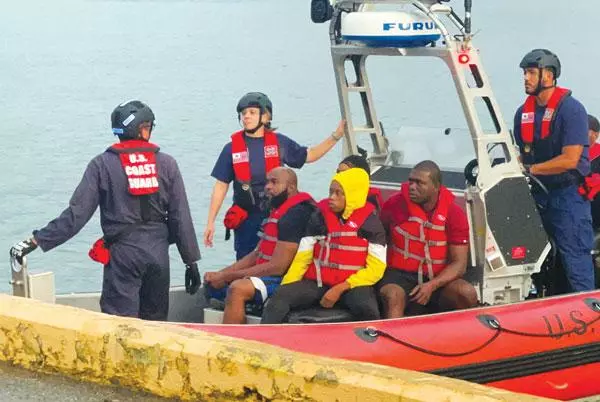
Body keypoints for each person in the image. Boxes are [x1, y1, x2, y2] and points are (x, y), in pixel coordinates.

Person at [9, 100, 201, 320]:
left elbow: (76, 215)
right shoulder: (167, 164)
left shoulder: (102, 165)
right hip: (158, 254)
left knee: (118, 325)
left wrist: (37, 240)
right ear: (139, 129)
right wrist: (190, 261)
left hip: (124, 256)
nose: (150, 132)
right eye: (148, 126)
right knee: (156, 326)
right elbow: (180, 217)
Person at [205, 92, 345, 260]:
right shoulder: (231, 148)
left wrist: (335, 137)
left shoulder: (279, 143)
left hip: (277, 215)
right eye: (243, 114)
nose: (246, 117)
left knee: (276, 259)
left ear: (265, 116)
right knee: (245, 261)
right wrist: (210, 222)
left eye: (252, 112)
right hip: (246, 220)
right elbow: (221, 186)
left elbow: (310, 155)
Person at [513, 49, 595, 292]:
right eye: (524, 73)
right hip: (536, 198)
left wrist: (530, 169)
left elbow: (570, 159)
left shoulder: (571, 110)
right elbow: (522, 152)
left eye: (530, 73)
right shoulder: (523, 114)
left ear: (548, 76)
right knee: (531, 262)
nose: (525, 78)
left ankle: (589, 315)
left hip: (567, 197)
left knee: (575, 262)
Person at [261, 168, 386, 324]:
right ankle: (267, 341)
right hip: (319, 282)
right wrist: (287, 285)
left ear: (353, 195)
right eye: (330, 192)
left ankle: (370, 344)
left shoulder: (371, 224)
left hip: (353, 285)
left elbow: (376, 269)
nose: (332, 198)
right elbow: (302, 259)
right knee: (279, 298)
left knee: (366, 308)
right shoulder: (319, 217)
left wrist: (341, 288)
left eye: (338, 193)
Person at [203, 167, 315, 324]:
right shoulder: (277, 210)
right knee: (211, 283)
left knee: (237, 289)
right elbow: (258, 254)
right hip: (268, 273)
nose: (267, 186)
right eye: (267, 182)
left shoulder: (296, 215)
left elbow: (278, 267)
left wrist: (227, 277)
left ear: (291, 187)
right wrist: (220, 274)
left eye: (274, 182)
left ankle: (233, 344)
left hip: (285, 279)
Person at [378, 160, 478, 318]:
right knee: (393, 296)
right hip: (399, 276)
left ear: (436, 187)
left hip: (437, 279)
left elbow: (459, 264)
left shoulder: (454, 214)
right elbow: (378, 241)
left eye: (420, 183)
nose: (412, 186)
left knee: (466, 293)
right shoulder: (394, 205)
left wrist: (432, 285)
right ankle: (394, 338)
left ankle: (463, 337)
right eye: (410, 181)